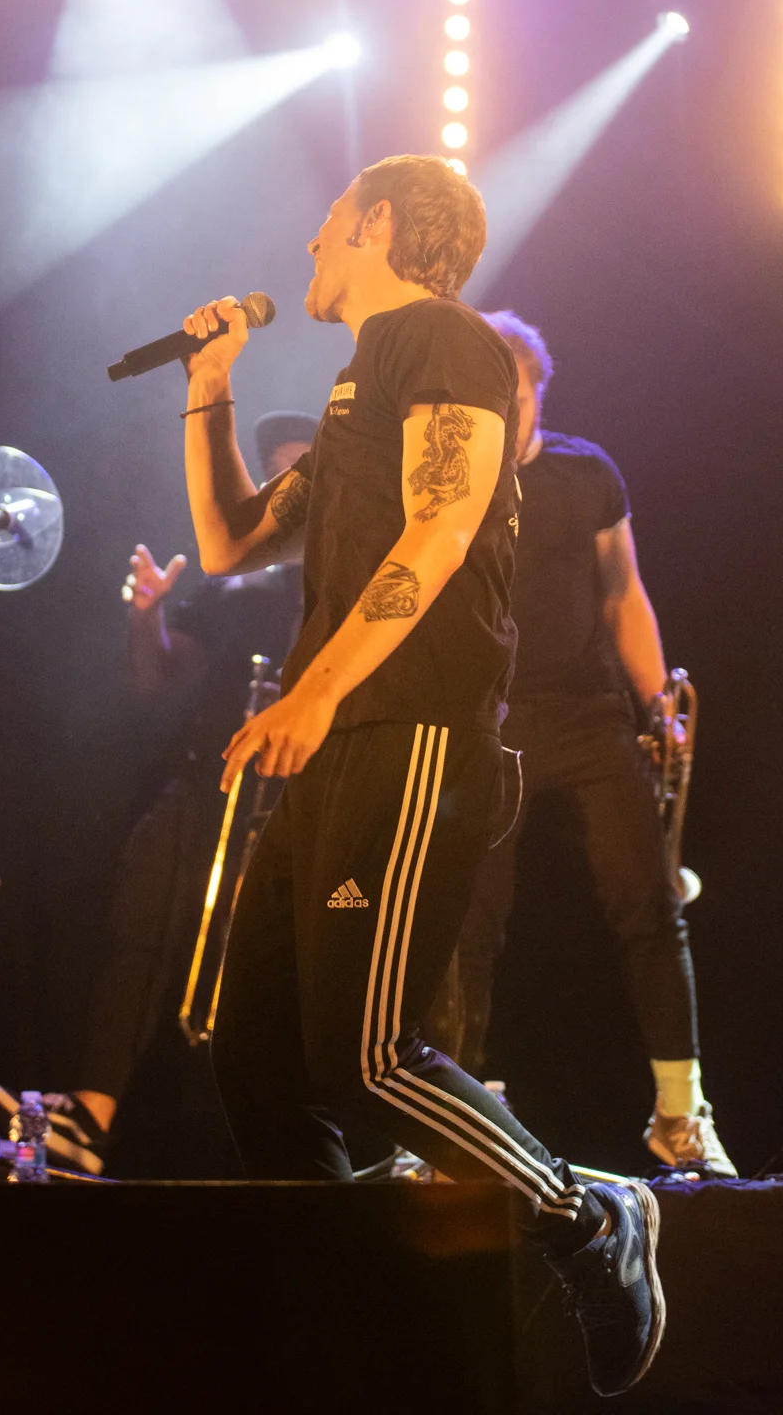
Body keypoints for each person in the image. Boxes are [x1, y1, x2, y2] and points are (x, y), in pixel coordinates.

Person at [176, 155, 664, 1400]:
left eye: (327, 223)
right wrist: (210, 391)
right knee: (254, 1056)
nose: (309, 247)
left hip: (414, 730)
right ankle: (350, 1321)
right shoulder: (359, 387)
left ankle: (589, 1213)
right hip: (339, 740)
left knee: (371, 1054)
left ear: (380, 222)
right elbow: (228, 539)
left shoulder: (443, 338)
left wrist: (317, 689)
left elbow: (442, 529)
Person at [0, 411, 315, 1175]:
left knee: (284, 967)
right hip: (211, 783)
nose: (286, 484)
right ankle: (89, 1119)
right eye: (275, 471)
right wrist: (148, 615)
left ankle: (298, 1146)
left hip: (301, 798)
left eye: (300, 470)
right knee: (142, 913)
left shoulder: (351, 573)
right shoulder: (236, 581)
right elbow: (153, 680)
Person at [445, 313, 734, 1176]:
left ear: (539, 391)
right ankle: (455, 1118)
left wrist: (656, 702)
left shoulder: (587, 472)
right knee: (469, 920)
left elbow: (621, 594)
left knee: (649, 901)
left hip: (588, 714)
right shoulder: (448, 481)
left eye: (517, 394)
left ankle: (680, 1115)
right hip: (488, 724)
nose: (506, 411)